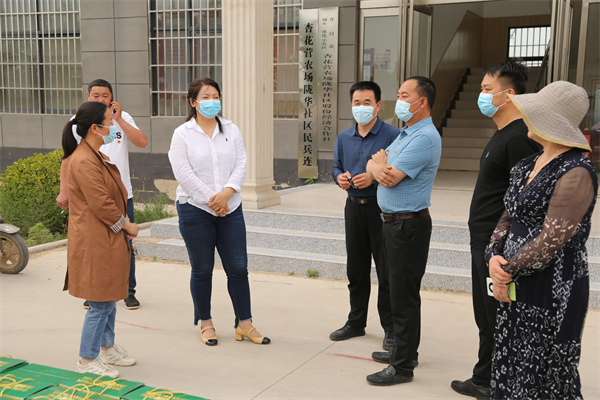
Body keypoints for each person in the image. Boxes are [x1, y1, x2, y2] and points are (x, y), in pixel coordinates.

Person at [486, 80, 597, 398]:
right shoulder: (527, 164)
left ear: (549, 121)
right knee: (512, 358)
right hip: (515, 277)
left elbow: (553, 239)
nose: (525, 117)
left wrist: (507, 270)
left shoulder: (577, 170)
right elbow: (508, 214)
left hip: (552, 284)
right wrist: (493, 255)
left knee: (544, 367)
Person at [451, 61, 541, 399]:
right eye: (481, 89)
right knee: (487, 315)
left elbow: (525, 200)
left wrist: (503, 248)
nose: (482, 95)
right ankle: (484, 376)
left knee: (498, 315)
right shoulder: (503, 134)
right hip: (484, 242)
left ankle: (499, 382)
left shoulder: (519, 138)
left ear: (509, 94)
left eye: (488, 90)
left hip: (497, 246)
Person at [168, 78, 269, 346]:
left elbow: (241, 163)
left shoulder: (231, 129)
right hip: (194, 208)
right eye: (206, 97)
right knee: (202, 269)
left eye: (215, 96)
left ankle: (244, 324)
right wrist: (212, 200)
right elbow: (183, 172)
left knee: (238, 268)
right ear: (193, 102)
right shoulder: (182, 134)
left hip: (230, 207)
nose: (212, 101)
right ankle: (206, 322)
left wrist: (227, 194)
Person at [364, 76, 441, 385]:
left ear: (421, 102)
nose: (399, 100)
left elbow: (389, 176)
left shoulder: (425, 137)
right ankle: (404, 351)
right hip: (394, 223)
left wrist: (378, 167)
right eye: (398, 94)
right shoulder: (407, 133)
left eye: (404, 95)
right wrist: (376, 166)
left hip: (408, 225)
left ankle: (403, 365)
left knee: (404, 296)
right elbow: (374, 165)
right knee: (397, 291)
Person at [62, 101, 140, 377]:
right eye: (109, 122)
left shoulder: (95, 154)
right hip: (96, 239)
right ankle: (87, 359)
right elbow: (102, 204)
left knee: (110, 295)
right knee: (100, 302)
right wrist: (127, 225)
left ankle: (107, 348)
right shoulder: (84, 160)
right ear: (95, 128)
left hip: (106, 235)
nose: (113, 127)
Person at [57, 79, 148, 310]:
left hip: (120, 194)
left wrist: (118, 119)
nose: (100, 99)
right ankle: (95, 291)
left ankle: (127, 290)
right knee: (95, 245)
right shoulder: (80, 123)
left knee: (123, 246)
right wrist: (64, 191)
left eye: (105, 95)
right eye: (95, 95)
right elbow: (68, 159)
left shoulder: (120, 119)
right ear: (88, 96)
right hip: (93, 195)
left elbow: (142, 142)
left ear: (112, 98)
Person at [329, 81, 399, 351]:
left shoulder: (393, 135)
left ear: (378, 106)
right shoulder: (344, 137)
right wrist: (340, 178)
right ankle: (356, 322)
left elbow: (396, 171)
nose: (361, 107)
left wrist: (374, 177)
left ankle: (390, 328)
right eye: (356, 103)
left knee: (386, 271)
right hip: (353, 207)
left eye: (367, 102)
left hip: (380, 209)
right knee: (356, 269)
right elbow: (336, 167)